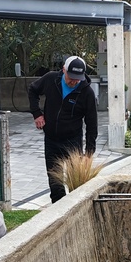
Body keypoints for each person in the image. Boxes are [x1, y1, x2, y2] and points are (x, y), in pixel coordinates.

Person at [27, 56, 97, 202]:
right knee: (55, 184)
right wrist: (37, 114)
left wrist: (89, 153)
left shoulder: (87, 93)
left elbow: (92, 124)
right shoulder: (51, 79)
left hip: (73, 142)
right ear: (64, 70)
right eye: (71, 77)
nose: (74, 81)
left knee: (75, 184)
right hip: (51, 141)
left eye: (78, 79)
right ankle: (58, 212)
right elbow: (33, 90)